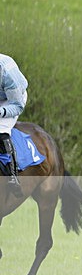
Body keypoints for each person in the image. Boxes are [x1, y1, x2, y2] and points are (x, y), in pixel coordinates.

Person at [0, 53, 28, 197]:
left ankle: (12, 175)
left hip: (13, 99)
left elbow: (16, 105)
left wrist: (1, 111)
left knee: (1, 129)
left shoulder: (6, 72)